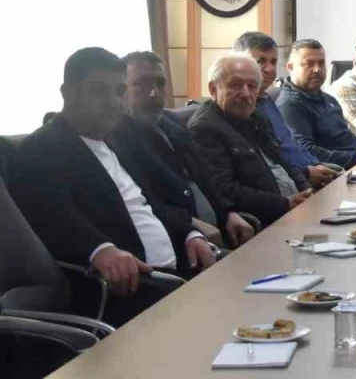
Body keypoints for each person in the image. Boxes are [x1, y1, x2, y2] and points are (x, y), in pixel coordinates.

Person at [10, 48, 216, 324]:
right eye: (98, 90)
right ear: (67, 93)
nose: (113, 102)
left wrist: (190, 233)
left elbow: (151, 204)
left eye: (119, 91)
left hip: (181, 268)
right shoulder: (41, 148)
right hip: (132, 288)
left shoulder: (114, 142)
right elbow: (52, 216)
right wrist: (99, 249)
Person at [111, 50, 256, 249]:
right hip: (180, 242)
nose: (154, 93)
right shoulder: (116, 139)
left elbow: (207, 179)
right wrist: (190, 227)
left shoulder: (172, 125)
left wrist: (229, 212)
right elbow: (146, 201)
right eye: (140, 84)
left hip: (223, 232)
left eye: (160, 83)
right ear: (121, 90)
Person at [189, 54, 312, 227]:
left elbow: (283, 161)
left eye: (252, 86)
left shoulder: (255, 116)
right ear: (213, 89)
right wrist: (285, 203)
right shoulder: (204, 129)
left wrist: (306, 190)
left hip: (295, 209)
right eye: (235, 85)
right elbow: (223, 189)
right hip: (268, 221)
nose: (246, 94)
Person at [233, 31, 339, 188]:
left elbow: (291, 146)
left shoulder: (267, 100)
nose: (269, 69)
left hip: (310, 173)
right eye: (260, 61)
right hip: (293, 185)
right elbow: (267, 164)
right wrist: (306, 173)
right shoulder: (241, 109)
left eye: (273, 62)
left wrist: (317, 165)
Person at [276, 39, 356, 168]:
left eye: (321, 63)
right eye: (309, 64)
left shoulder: (328, 99)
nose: (317, 69)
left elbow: (344, 138)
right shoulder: (290, 104)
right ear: (290, 67)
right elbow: (306, 150)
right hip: (337, 172)